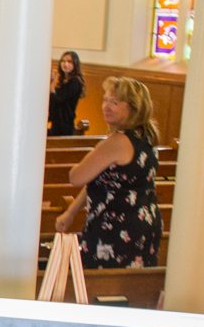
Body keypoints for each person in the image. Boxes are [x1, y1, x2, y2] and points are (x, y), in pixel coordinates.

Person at [55, 76, 163, 268]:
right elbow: (104, 181)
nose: (106, 106)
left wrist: (89, 157)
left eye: (114, 102)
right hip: (144, 225)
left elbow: (76, 177)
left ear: (134, 107)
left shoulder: (117, 142)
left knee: (102, 284)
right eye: (105, 100)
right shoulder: (147, 139)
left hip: (117, 230)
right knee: (134, 285)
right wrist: (71, 212)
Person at [49, 50, 85, 136]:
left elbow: (58, 101)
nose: (65, 64)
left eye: (69, 61)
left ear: (75, 64)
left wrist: (52, 83)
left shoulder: (75, 81)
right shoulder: (64, 80)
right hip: (57, 122)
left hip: (64, 124)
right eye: (63, 61)